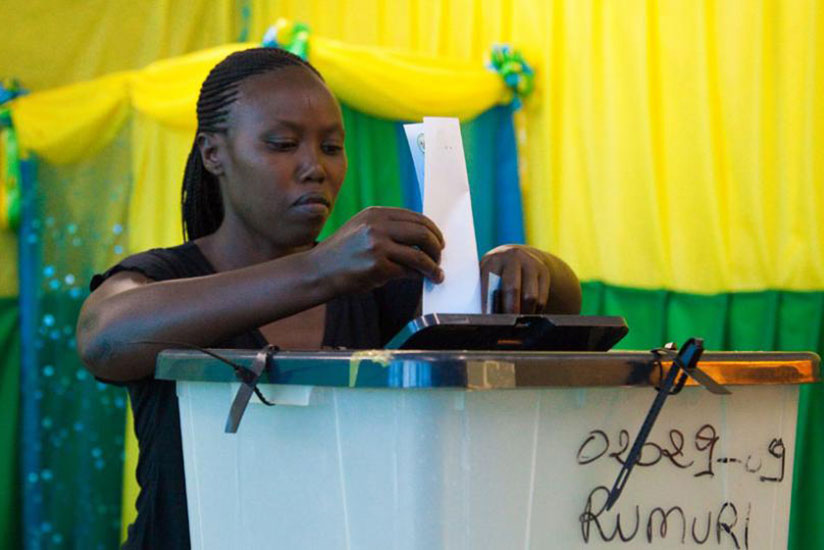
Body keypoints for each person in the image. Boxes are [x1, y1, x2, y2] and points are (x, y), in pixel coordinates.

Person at [76, 47, 581, 549]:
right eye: (282, 144)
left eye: (331, 147)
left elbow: (562, 302)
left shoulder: (378, 288)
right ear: (214, 153)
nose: (314, 167)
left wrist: (521, 261)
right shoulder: (166, 277)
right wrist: (320, 270)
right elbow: (105, 338)